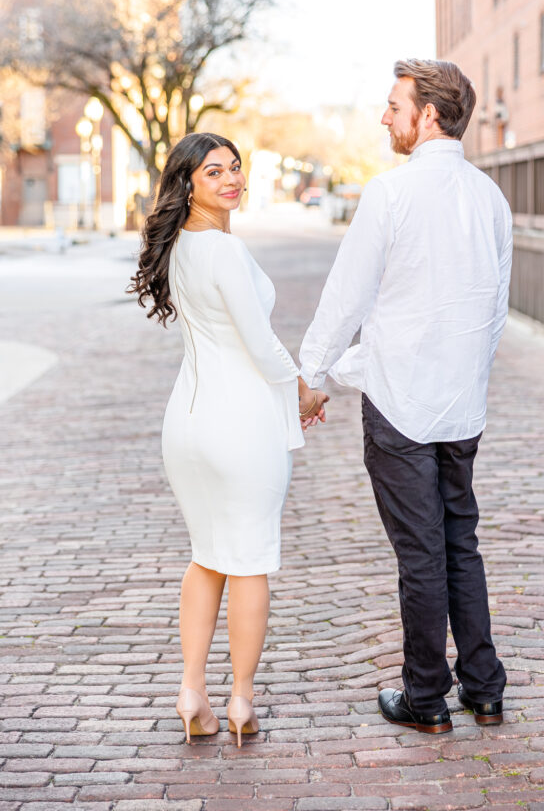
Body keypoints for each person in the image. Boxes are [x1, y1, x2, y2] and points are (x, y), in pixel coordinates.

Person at [299, 59, 512, 734]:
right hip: (461, 405)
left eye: (394, 106)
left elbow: (346, 297)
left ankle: (426, 698)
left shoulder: (390, 194)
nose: (385, 117)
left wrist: (314, 374)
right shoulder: (492, 200)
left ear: (428, 114)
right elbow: (495, 312)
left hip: (400, 408)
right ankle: (483, 689)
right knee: (460, 544)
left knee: (421, 554)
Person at [128, 132, 327, 746]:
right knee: (250, 562)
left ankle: (193, 691)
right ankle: (240, 700)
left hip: (187, 424)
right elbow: (258, 341)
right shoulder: (222, 251)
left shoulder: (182, 247)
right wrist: (303, 390)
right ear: (188, 184)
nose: (231, 179)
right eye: (214, 172)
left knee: (207, 554)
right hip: (239, 427)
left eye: (235, 168)